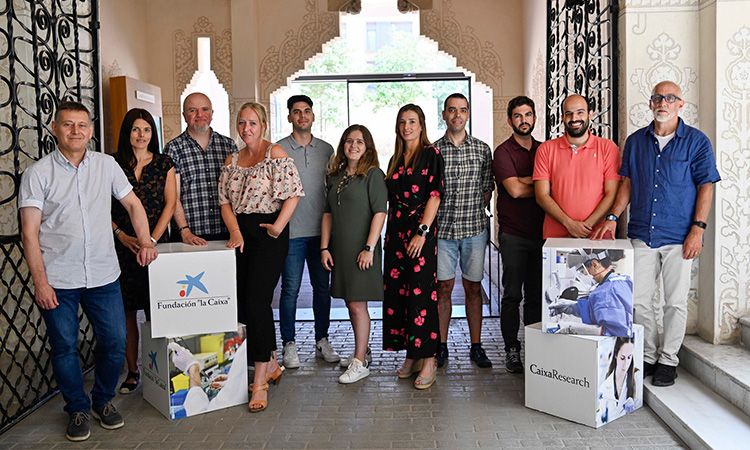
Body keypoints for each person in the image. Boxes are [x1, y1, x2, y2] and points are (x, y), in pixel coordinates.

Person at [19, 101, 158, 441]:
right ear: (55, 128)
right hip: (58, 279)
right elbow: (29, 233)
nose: (76, 131)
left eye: (82, 125)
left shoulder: (106, 166)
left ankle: (103, 401)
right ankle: (77, 409)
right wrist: (41, 283)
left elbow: (133, 205)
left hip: (102, 275)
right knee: (65, 346)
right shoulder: (38, 174)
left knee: (114, 342)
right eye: (68, 125)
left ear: (91, 129)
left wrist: (145, 240)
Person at [591, 80, 721, 386]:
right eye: (657, 98)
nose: (663, 102)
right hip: (642, 233)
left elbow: (706, 185)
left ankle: (668, 360)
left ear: (680, 105)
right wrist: (612, 216)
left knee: (675, 302)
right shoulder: (636, 142)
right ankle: (648, 355)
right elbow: (627, 184)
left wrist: (698, 230)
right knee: (639, 301)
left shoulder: (697, 142)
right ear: (651, 104)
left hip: (680, 235)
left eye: (670, 98)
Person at [218, 102, 303, 412]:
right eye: (241, 123)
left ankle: (260, 382)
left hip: (269, 232)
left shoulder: (275, 154)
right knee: (243, 303)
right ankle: (271, 363)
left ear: (263, 125)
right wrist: (236, 233)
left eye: (252, 123)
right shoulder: (232, 160)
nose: (246, 128)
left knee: (257, 302)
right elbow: (225, 202)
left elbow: (294, 193)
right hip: (241, 234)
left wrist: (278, 227)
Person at [111, 108, 176, 395]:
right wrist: (122, 236)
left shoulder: (164, 163)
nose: (141, 135)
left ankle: (159, 371)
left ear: (153, 133)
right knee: (127, 312)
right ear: (127, 133)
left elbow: (170, 205)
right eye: (135, 129)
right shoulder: (112, 163)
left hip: (156, 246)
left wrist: (150, 240)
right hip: (121, 246)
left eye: (147, 129)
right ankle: (133, 371)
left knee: (158, 312)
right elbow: (99, 204)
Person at [383, 104, 445, 390]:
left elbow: (434, 195)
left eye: (412, 121)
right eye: (402, 122)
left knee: (422, 295)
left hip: (420, 232)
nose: (407, 126)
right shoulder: (395, 158)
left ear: (421, 125)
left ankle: (429, 358)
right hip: (395, 234)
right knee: (400, 295)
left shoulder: (430, 154)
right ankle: (411, 354)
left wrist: (422, 231)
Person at [320, 125, 387, 384]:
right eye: (349, 141)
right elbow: (327, 214)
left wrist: (369, 248)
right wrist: (324, 247)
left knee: (358, 304)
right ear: (343, 145)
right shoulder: (336, 176)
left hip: (363, 251)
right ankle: (362, 352)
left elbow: (380, 212)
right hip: (340, 250)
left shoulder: (373, 175)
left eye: (360, 141)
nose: (354, 145)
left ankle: (359, 362)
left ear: (367, 146)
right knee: (350, 302)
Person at [277, 94, 339, 368]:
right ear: (289, 117)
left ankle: (322, 339)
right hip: (291, 232)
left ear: (313, 116)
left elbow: (334, 189)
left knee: (322, 289)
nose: (302, 116)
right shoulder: (277, 149)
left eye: (307, 111)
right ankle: (288, 344)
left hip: (321, 233)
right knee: (289, 290)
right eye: (296, 112)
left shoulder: (327, 150)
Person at [432, 93, 494, 369]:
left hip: (474, 230)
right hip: (442, 231)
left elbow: (487, 187)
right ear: (444, 114)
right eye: (452, 110)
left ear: (468, 114)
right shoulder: (433, 150)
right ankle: (441, 345)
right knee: (443, 288)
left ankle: (476, 346)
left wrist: (473, 207)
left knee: (473, 287)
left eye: (463, 110)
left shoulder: (482, 149)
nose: (458, 115)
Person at [492, 95, 545, 373]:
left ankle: (535, 348)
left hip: (543, 234)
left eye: (528, 115)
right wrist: (540, 184)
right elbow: (513, 190)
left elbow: (555, 185)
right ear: (510, 120)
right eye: (517, 116)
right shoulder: (502, 152)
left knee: (536, 295)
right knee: (513, 294)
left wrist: (526, 180)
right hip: (513, 235)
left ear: (534, 117)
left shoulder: (546, 150)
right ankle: (512, 348)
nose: (523, 120)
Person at [533, 94, 621, 238]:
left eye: (580, 112)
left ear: (590, 114)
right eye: (569, 114)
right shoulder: (546, 149)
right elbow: (541, 195)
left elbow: (611, 193)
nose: (574, 119)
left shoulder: (608, 148)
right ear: (562, 117)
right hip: (556, 236)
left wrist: (585, 227)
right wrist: (569, 224)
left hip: (598, 235)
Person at [165, 92, 237, 244]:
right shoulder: (173, 148)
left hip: (226, 233)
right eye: (192, 110)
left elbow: (236, 192)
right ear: (184, 115)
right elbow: (173, 196)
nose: (200, 114)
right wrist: (185, 232)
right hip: (188, 236)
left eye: (205, 109)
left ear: (212, 113)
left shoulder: (229, 146)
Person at [548, 250, 633, 337]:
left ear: (594, 264)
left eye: (582, 270)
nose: (583, 274)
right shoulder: (621, 280)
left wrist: (570, 328)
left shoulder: (606, 292)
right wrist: (571, 307)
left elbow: (614, 331)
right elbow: (597, 309)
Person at [597, 337, 637, 425]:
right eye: (622, 358)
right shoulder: (604, 384)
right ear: (616, 355)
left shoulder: (634, 380)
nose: (626, 363)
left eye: (629, 358)